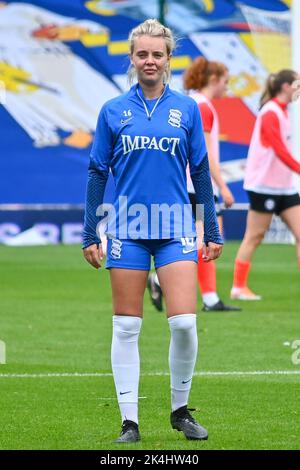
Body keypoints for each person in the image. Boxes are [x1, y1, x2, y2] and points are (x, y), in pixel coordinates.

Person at [82, 19, 223, 443]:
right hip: (128, 228)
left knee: (183, 323)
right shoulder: (113, 110)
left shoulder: (187, 109)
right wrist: (92, 232)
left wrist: (211, 227)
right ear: (132, 58)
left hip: (176, 226)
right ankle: (130, 423)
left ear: (167, 59)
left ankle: (180, 411)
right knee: (126, 327)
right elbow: (96, 171)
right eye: (142, 54)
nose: (149, 61)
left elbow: (199, 170)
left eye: (157, 54)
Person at [148, 57, 240, 312]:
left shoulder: (188, 103)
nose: (227, 87)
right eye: (225, 82)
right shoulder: (203, 107)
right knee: (206, 239)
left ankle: (209, 297)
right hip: (197, 186)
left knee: (199, 240)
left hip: (184, 185)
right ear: (213, 80)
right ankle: (162, 280)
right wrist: (223, 186)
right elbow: (205, 154)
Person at [231, 69, 300, 300]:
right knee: (255, 236)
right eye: (297, 85)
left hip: (284, 185)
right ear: (287, 86)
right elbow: (278, 149)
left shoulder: (282, 111)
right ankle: (238, 287)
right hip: (264, 185)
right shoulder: (271, 112)